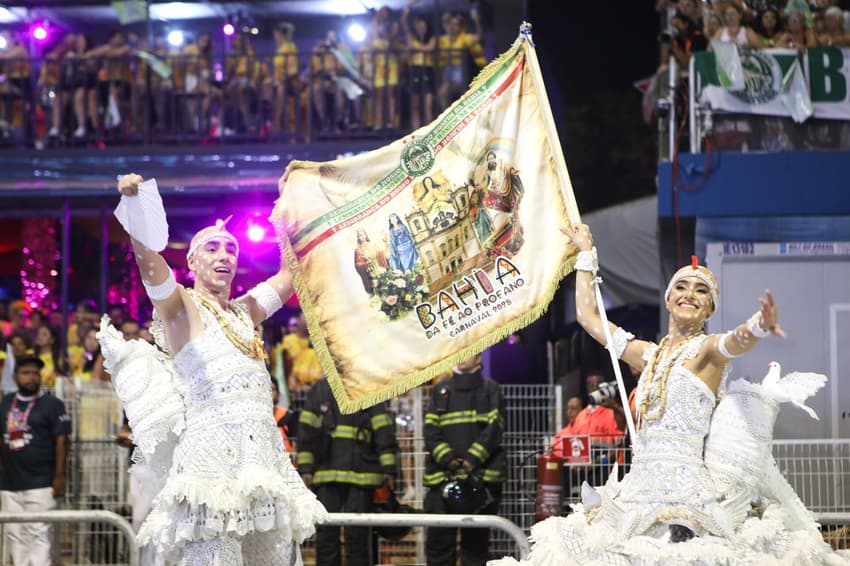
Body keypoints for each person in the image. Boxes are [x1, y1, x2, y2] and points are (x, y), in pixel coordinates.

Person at [491, 224, 847, 564]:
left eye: (701, 290)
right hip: (635, 489)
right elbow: (588, 317)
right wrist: (586, 254)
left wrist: (758, 327)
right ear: (667, 299)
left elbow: (733, 342)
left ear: (710, 308)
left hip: (688, 495)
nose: (689, 294)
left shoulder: (707, 351)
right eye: (681, 286)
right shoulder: (649, 354)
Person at [105, 173, 326, 564]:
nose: (223, 256)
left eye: (230, 249)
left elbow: (290, 276)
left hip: (261, 461)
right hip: (211, 466)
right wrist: (137, 214)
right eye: (212, 249)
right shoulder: (180, 309)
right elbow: (150, 266)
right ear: (192, 261)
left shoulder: (246, 311)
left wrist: (286, 209)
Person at [297, 377, 398, 566]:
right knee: (334, 536)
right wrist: (306, 469)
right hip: (343, 475)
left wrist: (389, 469)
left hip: (352, 474)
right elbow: (306, 433)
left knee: (355, 537)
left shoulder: (365, 387)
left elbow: (383, 430)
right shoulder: (322, 390)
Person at [423, 353, 506, 566]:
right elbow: (430, 430)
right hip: (443, 479)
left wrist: (471, 460)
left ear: (479, 359)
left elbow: (494, 428)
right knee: (439, 545)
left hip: (480, 481)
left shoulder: (491, 389)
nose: (462, 356)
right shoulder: (440, 391)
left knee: (475, 549)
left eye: (469, 352)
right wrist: (448, 459)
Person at [0, 354, 71, 566]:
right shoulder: (5, 402)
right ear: (15, 376)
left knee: (39, 533)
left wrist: (59, 476)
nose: (31, 377)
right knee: (14, 533)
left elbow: (62, 441)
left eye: (35, 373)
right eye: (25, 373)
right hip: (9, 483)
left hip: (41, 481)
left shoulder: (52, 404)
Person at [353, 227, 389, 294]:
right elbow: (358, 264)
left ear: (366, 235)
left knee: (387, 286)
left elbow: (381, 254)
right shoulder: (358, 250)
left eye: (363, 234)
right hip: (370, 273)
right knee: (378, 291)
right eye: (360, 235)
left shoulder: (373, 244)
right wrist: (365, 263)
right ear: (358, 237)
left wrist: (385, 246)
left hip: (380, 268)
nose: (362, 237)